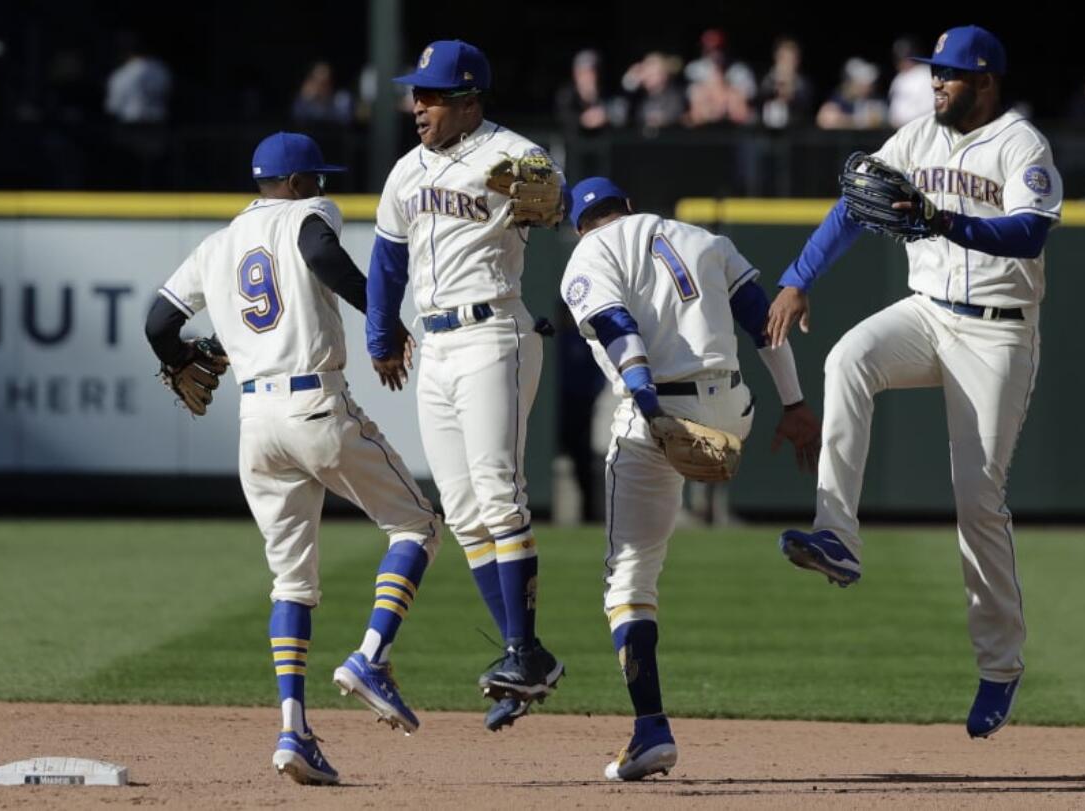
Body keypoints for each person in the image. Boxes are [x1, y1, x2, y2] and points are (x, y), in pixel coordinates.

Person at [767, 25, 1063, 740]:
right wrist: (798, 278)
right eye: (934, 73)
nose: (936, 84)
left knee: (977, 498)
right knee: (847, 358)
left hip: (998, 329)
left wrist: (943, 218)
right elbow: (855, 203)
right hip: (928, 312)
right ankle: (837, 535)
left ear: (985, 82)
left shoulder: (1023, 145)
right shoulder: (918, 136)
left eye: (950, 76)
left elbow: (1030, 233)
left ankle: (999, 664)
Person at [143, 132, 442, 785]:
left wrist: (180, 359)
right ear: (303, 181)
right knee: (418, 525)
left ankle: (293, 730)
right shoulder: (309, 213)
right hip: (315, 407)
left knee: (292, 583)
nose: (324, 189)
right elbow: (317, 251)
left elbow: (158, 323)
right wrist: (381, 319)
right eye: (319, 179)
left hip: (256, 425)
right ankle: (368, 655)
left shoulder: (216, 244)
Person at [560, 177, 821, 781]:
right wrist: (796, 404)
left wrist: (649, 403)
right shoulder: (700, 236)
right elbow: (763, 323)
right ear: (626, 206)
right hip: (734, 407)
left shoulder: (590, 252)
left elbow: (617, 326)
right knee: (723, 405)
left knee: (629, 576)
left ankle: (651, 729)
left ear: (581, 222)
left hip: (657, 407)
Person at [365, 40, 565, 732]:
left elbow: (553, 199)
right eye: (416, 94)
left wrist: (552, 195)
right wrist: (380, 334)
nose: (416, 105)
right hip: (437, 344)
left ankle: (521, 650)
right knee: (463, 508)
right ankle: (527, 655)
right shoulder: (404, 172)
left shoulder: (511, 154)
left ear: (468, 99)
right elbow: (387, 261)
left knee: (497, 488)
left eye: (430, 94)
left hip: (494, 334)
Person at [757, 37, 815, 129]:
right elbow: (758, 99)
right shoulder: (766, 79)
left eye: (790, 59)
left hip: (795, 131)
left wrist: (790, 90)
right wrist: (776, 88)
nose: (786, 63)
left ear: (797, 61)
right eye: (783, 58)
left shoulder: (803, 83)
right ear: (776, 58)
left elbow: (806, 105)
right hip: (766, 130)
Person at [816, 57, 887, 129]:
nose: (868, 86)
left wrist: (846, 120)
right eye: (860, 82)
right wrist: (860, 120)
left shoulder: (875, 99)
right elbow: (826, 120)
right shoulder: (838, 100)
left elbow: (877, 120)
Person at [887, 37, 935, 127]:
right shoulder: (899, 78)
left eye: (907, 57)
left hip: (920, 128)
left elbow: (931, 108)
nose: (903, 62)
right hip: (898, 130)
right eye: (900, 58)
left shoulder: (926, 74)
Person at [291, 61, 354, 125]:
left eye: (325, 82)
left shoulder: (342, 98)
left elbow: (345, 120)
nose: (321, 86)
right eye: (318, 81)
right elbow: (296, 118)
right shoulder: (306, 97)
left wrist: (324, 102)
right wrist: (305, 100)